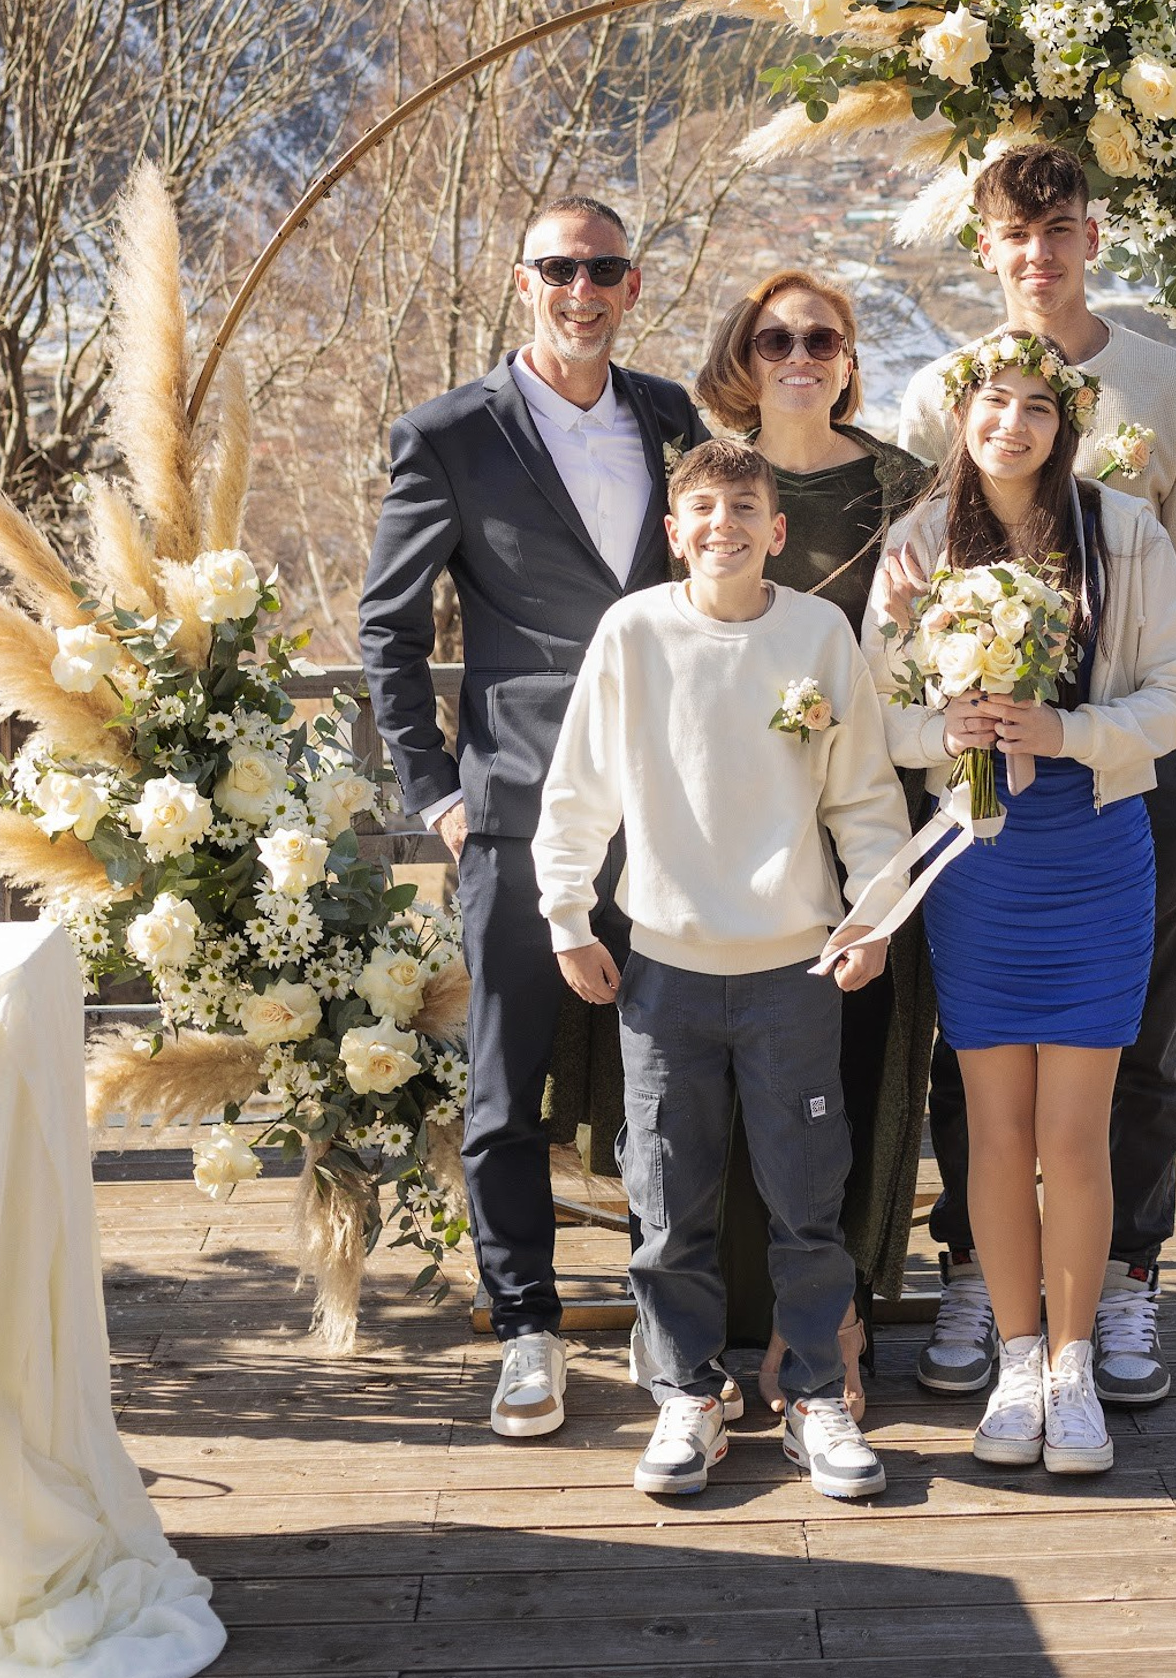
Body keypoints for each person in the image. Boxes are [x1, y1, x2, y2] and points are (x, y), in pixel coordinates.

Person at [358, 195, 708, 1439]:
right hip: (515, 808)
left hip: (671, 803)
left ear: (630, 282)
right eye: (560, 267)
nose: (584, 288)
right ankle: (527, 1331)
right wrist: (437, 796)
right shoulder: (447, 435)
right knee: (505, 1090)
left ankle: (683, 1329)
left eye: (605, 267)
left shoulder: (670, 417)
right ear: (523, 283)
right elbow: (388, 632)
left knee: (675, 1076)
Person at [897, 142, 1176, 1410]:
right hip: (987, 799)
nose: (1038, 254)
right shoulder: (954, 388)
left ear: (1093, 238)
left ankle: (1129, 1277)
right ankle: (984, 1271)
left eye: (1061, 231)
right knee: (970, 1048)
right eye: (1014, 234)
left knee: (1137, 1040)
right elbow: (918, 590)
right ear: (985, 247)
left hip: (1133, 775)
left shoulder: (1165, 383)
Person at [533, 438, 913, 1504]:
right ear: (673, 531)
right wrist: (568, 918)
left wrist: (873, 916)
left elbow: (866, 802)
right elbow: (577, 794)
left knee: (806, 1194)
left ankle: (816, 1398)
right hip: (663, 971)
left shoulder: (818, 633)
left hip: (797, 968)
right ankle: (687, 1397)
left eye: (744, 508)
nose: (723, 527)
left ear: (776, 531)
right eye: (702, 509)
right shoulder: (635, 633)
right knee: (668, 1198)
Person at [865, 331, 1176, 1472]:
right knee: (997, 1130)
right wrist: (937, 727)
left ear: (1068, 426)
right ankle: (1013, 1363)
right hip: (979, 856)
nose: (1012, 423)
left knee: (1075, 1130)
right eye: (991, 402)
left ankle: (1073, 1369)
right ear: (960, 414)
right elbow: (880, 715)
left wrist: (1070, 731)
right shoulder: (914, 543)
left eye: (1038, 408)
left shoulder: (1125, 533)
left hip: (1096, 847)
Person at [694, 270, 933, 1377]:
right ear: (744, 355)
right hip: (724, 816)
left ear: (848, 357)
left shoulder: (912, 489)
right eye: (775, 336)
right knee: (725, 1072)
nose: (800, 354)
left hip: (870, 802)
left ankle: (836, 1315)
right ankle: (727, 1322)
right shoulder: (702, 482)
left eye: (822, 337)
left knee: (859, 1056)